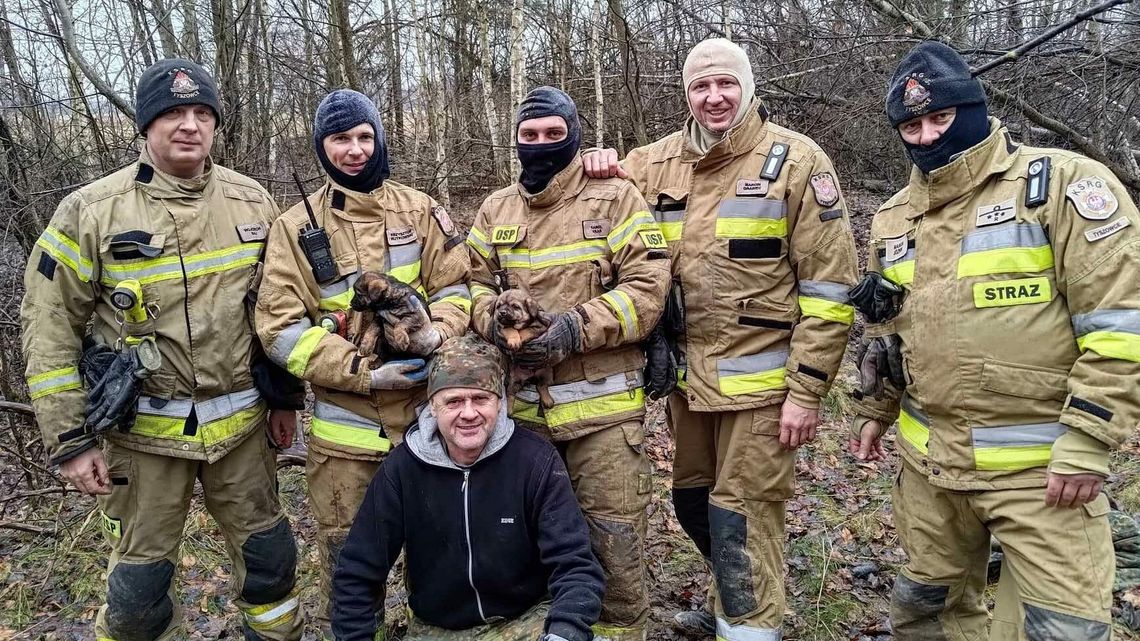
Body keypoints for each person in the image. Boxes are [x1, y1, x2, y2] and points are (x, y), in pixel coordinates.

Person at [848, 41, 1135, 640]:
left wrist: (1087, 440)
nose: (926, 137)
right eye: (911, 126)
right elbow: (887, 328)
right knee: (928, 616)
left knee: (1062, 629)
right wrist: (876, 409)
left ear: (974, 111)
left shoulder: (1060, 185)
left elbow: (1121, 324)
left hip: (1044, 473)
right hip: (930, 469)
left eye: (940, 119)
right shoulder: (895, 217)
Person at [582, 39, 859, 638]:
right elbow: (601, 216)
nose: (714, 97)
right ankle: (734, 604)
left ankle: (750, 625)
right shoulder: (651, 164)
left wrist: (807, 391)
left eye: (726, 84)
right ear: (685, 93)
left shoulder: (797, 162)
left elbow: (831, 291)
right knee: (694, 505)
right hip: (686, 386)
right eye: (700, 87)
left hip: (764, 389)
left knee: (740, 518)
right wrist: (597, 167)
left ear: (749, 86)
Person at [20, 59, 304, 640]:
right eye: (173, 112)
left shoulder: (252, 202)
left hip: (244, 430)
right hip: (141, 439)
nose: (189, 125)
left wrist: (283, 401)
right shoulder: (91, 211)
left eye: (202, 112)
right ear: (145, 124)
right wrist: (71, 442)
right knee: (139, 594)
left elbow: (277, 312)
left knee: (271, 566)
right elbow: (49, 329)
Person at [254, 88, 470, 637]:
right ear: (321, 148)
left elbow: (461, 286)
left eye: (363, 136)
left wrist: (436, 334)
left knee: (446, 553)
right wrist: (363, 371)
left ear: (379, 138)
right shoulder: (294, 228)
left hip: (429, 426)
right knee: (350, 566)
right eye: (340, 139)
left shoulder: (420, 210)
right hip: (346, 437)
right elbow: (279, 328)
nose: (353, 149)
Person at [467, 86, 670, 641]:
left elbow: (649, 290)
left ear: (575, 135)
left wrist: (573, 331)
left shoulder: (617, 200)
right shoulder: (495, 208)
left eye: (553, 134)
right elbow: (469, 289)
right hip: (521, 420)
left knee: (614, 548)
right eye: (528, 136)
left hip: (604, 418)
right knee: (526, 549)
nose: (540, 145)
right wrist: (497, 326)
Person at [331, 334, 605, 641]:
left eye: (481, 399)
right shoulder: (402, 469)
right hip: (438, 630)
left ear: (499, 403)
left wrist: (564, 632)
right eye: (454, 401)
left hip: (526, 620)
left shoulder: (535, 460)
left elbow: (575, 564)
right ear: (432, 406)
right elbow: (357, 570)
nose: (469, 413)